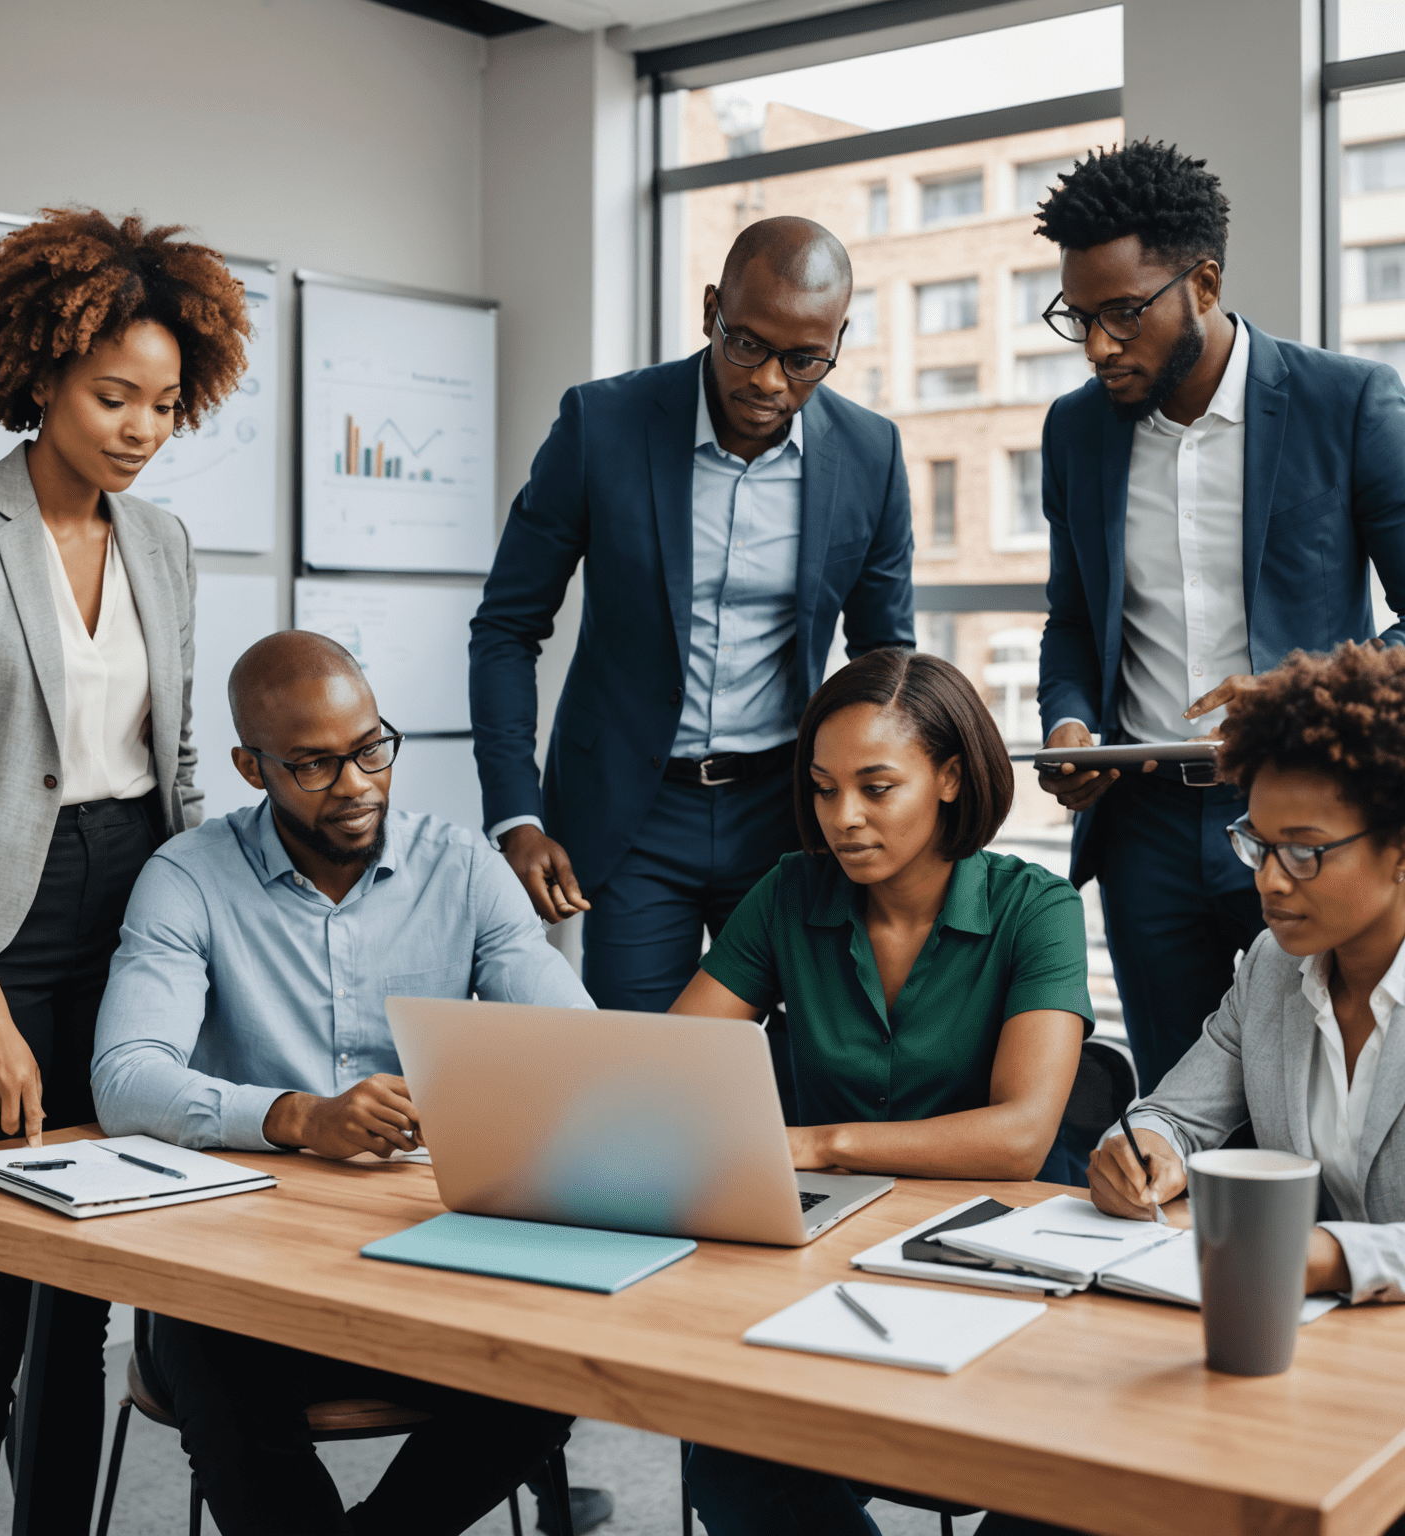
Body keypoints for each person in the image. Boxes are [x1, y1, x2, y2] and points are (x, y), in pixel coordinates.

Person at [0, 208, 249, 1536]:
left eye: (163, 403)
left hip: (129, 909)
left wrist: (230, 942)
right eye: (112, 397)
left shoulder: (165, 545)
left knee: (85, 1290)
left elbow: (182, 765)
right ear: (37, 375)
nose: (142, 428)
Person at [90, 630, 589, 1536]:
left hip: (425, 1260)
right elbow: (126, 1079)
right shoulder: (188, 878)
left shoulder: (464, 868)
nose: (357, 785)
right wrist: (298, 1118)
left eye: (369, 750)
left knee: (560, 1359)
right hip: (243, 1276)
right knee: (229, 1393)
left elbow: (579, 1051)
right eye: (315, 766)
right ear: (252, 766)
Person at [985, 642, 1405, 1536]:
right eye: (1256, 843)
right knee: (1046, 1507)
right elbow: (1175, 1113)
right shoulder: (1271, 971)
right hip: (1299, 1363)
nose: (1264, 881)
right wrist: (1144, 1157)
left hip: (1375, 1387)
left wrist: (1329, 1256)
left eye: (1303, 853)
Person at [671, 647, 1093, 1536]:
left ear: (948, 776)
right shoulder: (790, 893)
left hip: (1002, 1262)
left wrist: (818, 1143)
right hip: (823, 1254)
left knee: (1074, 1489)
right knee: (732, 1460)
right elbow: (672, 1068)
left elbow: (1019, 1138)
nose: (843, 819)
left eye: (875, 787)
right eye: (824, 789)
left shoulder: (1038, 906)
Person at [469, 215, 914, 1028]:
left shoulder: (871, 454)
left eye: (804, 359)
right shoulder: (600, 426)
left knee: (802, 1056)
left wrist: (892, 806)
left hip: (788, 810)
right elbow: (507, 627)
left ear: (838, 342)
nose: (770, 382)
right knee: (641, 1070)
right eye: (745, 344)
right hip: (634, 816)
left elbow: (887, 657)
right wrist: (517, 815)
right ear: (711, 308)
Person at [1030, 140, 1405, 1095]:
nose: (1100, 345)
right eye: (1079, 317)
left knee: (1323, 1085)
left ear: (1203, 282)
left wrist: (1301, 699)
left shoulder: (1348, 402)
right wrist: (1067, 719)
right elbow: (1071, 620)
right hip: (1143, 820)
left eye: (1123, 313)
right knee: (1176, 1098)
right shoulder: (1075, 430)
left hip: (1306, 817)